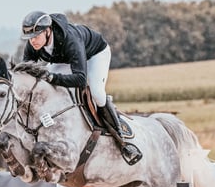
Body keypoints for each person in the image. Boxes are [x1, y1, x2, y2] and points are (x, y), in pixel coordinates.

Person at [20, 10, 142, 165]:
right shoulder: (32, 45)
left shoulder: (71, 40)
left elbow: (81, 79)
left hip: (95, 54)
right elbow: (25, 75)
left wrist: (52, 77)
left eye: (36, 36)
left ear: (48, 31)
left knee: (96, 92)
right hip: (65, 58)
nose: (33, 41)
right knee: (48, 88)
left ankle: (121, 139)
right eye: (30, 38)